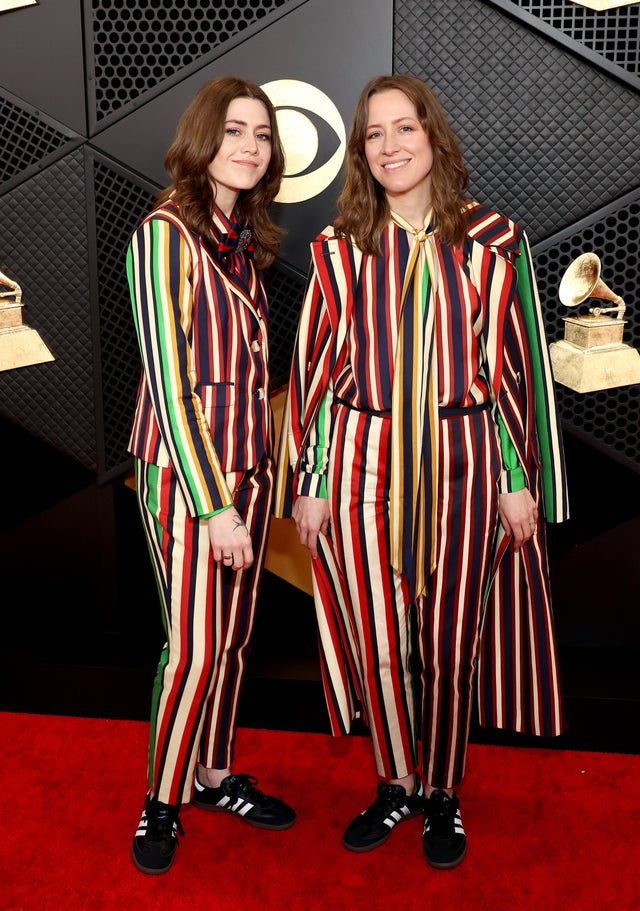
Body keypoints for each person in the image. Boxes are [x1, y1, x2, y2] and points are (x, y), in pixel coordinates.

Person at [275, 73, 569, 870]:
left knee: (448, 641)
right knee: (377, 636)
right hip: (363, 461)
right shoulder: (338, 250)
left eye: (405, 128)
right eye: (374, 134)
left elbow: (513, 372)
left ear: (434, 137)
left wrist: (519, 479)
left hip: (467, 463)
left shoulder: (494, 239)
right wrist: (312, 477)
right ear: (361, 153)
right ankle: (396, 778)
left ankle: (443, 789)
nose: (391, 145)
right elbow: (318, 372)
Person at [126, 75, 295, 875]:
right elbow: (168, 377)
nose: (250, 145)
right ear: (204, 137)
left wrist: (257, 484)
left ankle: (215, 773)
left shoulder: (242, 242)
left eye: (262, 133)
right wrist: (214, 505)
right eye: (234, 130)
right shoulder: (164, 235)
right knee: (193, 646)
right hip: (189, 482)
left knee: (230, 641)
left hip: (249, 477)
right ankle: (161, 800)